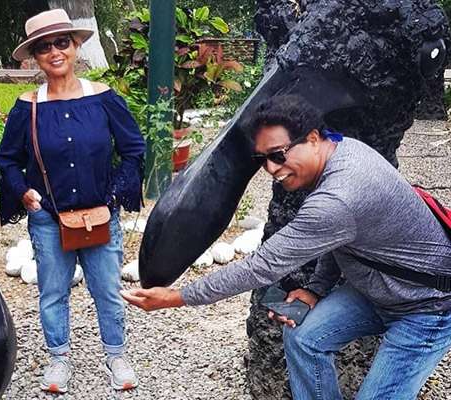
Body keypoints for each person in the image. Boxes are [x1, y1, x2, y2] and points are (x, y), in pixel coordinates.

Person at [122, 95, 451, 399]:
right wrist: (316, 290)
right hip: (380, 290)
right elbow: (343, 239)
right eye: (263, 159)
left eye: (278, 155)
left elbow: (261, 266)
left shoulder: (339, 195)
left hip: (426, 307)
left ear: (311, 138)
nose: (271, 169)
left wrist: (178, 297)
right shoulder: (340, 148)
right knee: (305, 339)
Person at [0, 9, 145, 394]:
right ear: (35, 57)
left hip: (99, 216)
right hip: (48, 220)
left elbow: (133, 149)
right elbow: (7, 160)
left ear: (76, 45)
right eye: (44, 47)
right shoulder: (26, 107)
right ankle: (58, 359)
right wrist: (23, 192)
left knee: (108, 291)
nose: (55, 52)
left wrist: (114, 194)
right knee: (53, 293)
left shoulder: (104, 99)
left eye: (62, 42)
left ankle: (116, 355)